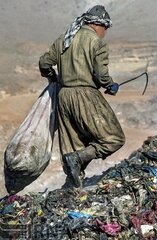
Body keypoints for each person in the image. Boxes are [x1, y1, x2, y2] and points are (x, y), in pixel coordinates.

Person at [38, 5, 125, 188]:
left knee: (73, 145)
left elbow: (44, 62)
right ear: (96, 24)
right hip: (85, 95)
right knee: (114, 138)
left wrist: (53, 78)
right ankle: (78, 159)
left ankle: (73, 187)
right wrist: (111, 86)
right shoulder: (96, 42)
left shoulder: (64, 39)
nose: (105, 33)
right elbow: (101, 75)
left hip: (63, 97)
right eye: (105, 28)